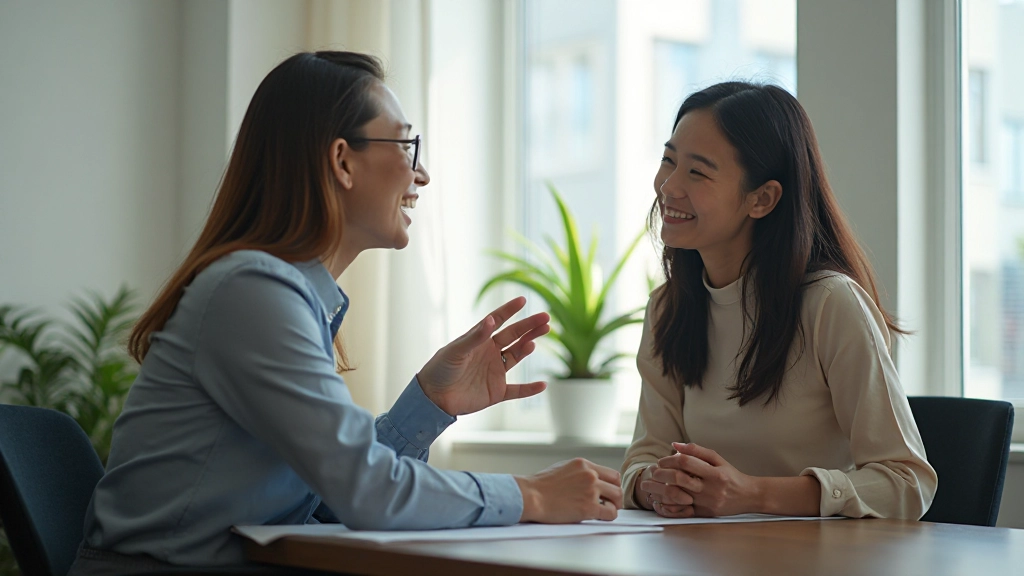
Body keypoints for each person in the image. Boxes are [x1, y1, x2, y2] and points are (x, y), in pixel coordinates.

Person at [70, 51, 622, 575]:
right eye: (408, 146)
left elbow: (334, 492)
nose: (421, 175)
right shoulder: (253, 292)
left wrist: (431, 403)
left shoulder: (281, 293)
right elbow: (366, 491)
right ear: (342, 161)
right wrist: (529, 495)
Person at [621, 81, 936, 520]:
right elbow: (644, 458)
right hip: (704, 557)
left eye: (697, 172)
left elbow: (907, 482)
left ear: (762, 198)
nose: (668, 186)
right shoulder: (666, 309)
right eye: (668, 160)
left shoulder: (830, 304)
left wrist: (751, 494)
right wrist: (654, 487)